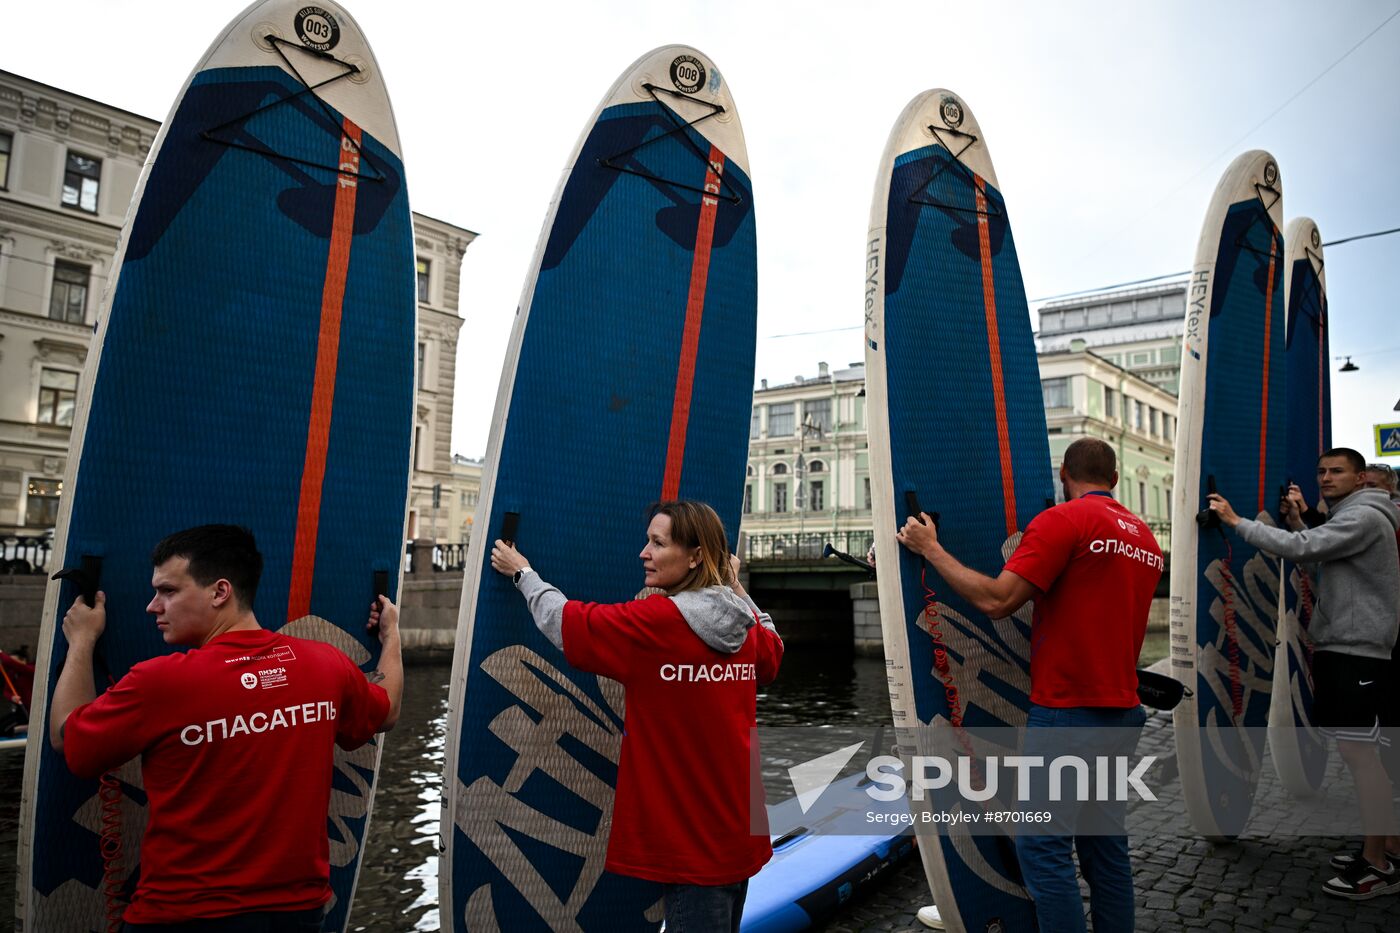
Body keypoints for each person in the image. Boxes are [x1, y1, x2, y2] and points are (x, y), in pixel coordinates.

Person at [49, 524, 403, 931]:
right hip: (297, 914)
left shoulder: (160, 682)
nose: (153, 606)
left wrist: (81, 640)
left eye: (168, 591)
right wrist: (392, 636)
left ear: (220, 592)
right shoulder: (325, 664)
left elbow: (67, 738)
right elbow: (388, 711)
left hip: (182, 916)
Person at [896, 437, 1161, 933]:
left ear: (1064, 476)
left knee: (1043, 847)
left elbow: (998, 601)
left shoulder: (1064, 521)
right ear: (1117, 479)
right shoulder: (1144, 537)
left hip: (1069, 712)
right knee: (1105, 850)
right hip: (1122, 710)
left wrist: (931, 549)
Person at [489, 500, 783, 931]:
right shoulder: (746, 627)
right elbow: (773, 653)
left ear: (696, 556)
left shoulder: (657, 623)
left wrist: (523, 574)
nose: (643, 553)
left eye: (657, 543)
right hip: (739, 833)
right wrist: (736, 587)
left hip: (688, 848)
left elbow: (566, 623)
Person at [1208, 447, 1400, 899]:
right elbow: (1319, 562)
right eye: (1322, 472)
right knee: (1364, 757)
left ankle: (1377, 866)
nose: (1327, 478)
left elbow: (1303, 549)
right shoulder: (1352, 517)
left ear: (1359, 479)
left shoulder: (1366, 516)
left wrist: (1238, 522)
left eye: (1338, 472)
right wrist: (1298, 523)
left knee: (1361, 759)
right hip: (1350, 649)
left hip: (1357, 653)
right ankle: (1386, 847)